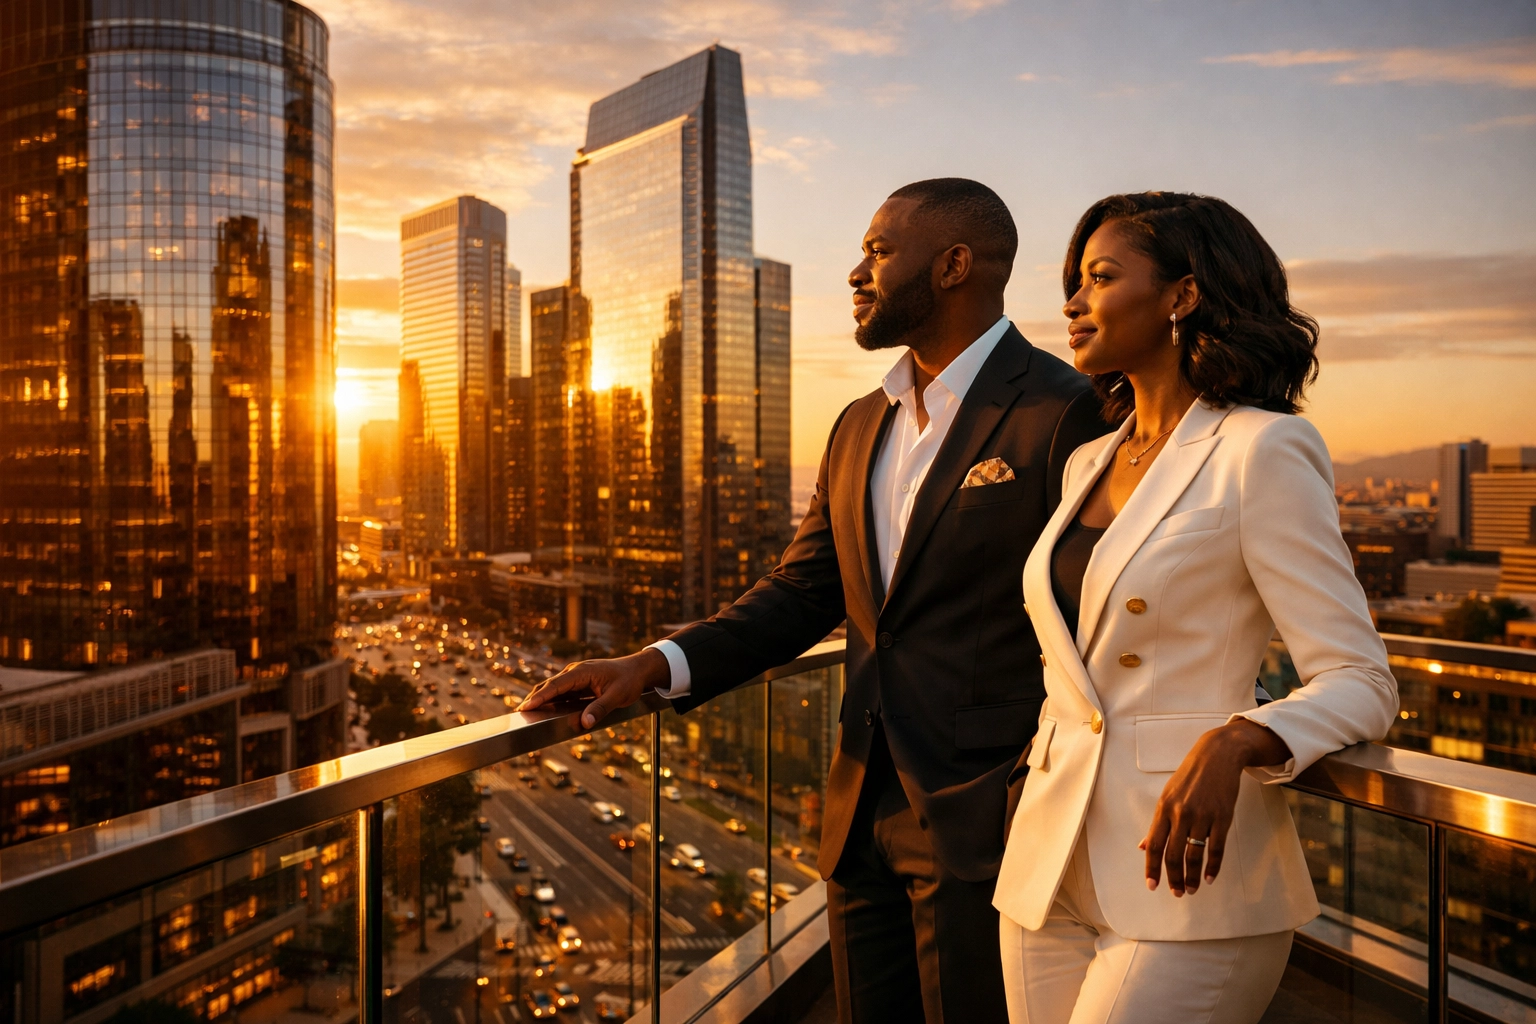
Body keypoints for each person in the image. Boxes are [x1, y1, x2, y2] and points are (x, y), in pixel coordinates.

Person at [519, 178, 1110, 1023]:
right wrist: (657, 662)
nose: (856, 273)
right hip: (856, 816)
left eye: (878, 251)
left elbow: (1105, 612)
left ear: (952, 265)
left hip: (994, 823)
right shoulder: (856, 425)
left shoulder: (1065, 412)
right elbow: (801, 593)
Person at [992, 191, 1399, 1024]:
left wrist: (1241, 737)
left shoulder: (1263, 448)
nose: (1072, 301)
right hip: (1047, 860)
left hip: (1190, 877)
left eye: (1101, 277)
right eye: (1074, 280)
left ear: (1181, 295)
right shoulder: (1087, 464)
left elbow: (1361, 677)